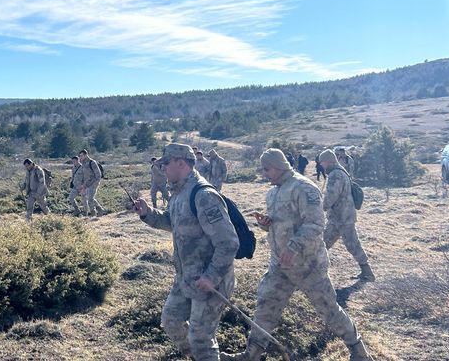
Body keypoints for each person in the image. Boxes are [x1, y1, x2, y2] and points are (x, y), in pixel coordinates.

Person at [221, 149, 373, 361]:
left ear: (278, 165)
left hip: (308, 265)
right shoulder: (273, 192)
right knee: (265, 307)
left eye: (267, 169)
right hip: (279, 265)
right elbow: (282, 223)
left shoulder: (304, 187)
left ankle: (359, 352)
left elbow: (315, 224)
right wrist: (267, 224)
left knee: (329, 310)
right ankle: (251, 355)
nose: (264, 174)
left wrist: (293, 247)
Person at [134, 144, 239, 360]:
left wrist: (211, 276)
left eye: (165, 164)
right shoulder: (179, 192)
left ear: (181, 163)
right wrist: (147, 213)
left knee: (201, 339)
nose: (162, 168)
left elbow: (228, 242)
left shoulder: (204, 195)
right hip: (186, 277)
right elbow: (172, 221)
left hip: (210, 281)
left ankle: (204, 354)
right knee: (171, 321)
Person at [318, 149, 375, 281]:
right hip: (339, 217)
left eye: (322, 163)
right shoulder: (340, 171)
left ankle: (367, 272)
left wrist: (320, 208)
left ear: (328, 161)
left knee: (352, 244)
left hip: (342, 217)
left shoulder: (335, 175)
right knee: (323, 244)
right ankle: (316, 271)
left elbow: (331, 196)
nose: (322, 166)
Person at [79, 149, 105, 216]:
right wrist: (83, 184)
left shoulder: (92, 162)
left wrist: (95, 183)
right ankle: (95, 212)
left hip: (93, 183)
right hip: (87, 184)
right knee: (89, 199)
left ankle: (98, 211)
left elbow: (98, 174)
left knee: (90, 198)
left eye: (81, 156)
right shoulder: (83, 164)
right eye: (80, 156)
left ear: (86, 155)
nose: (80, 157)